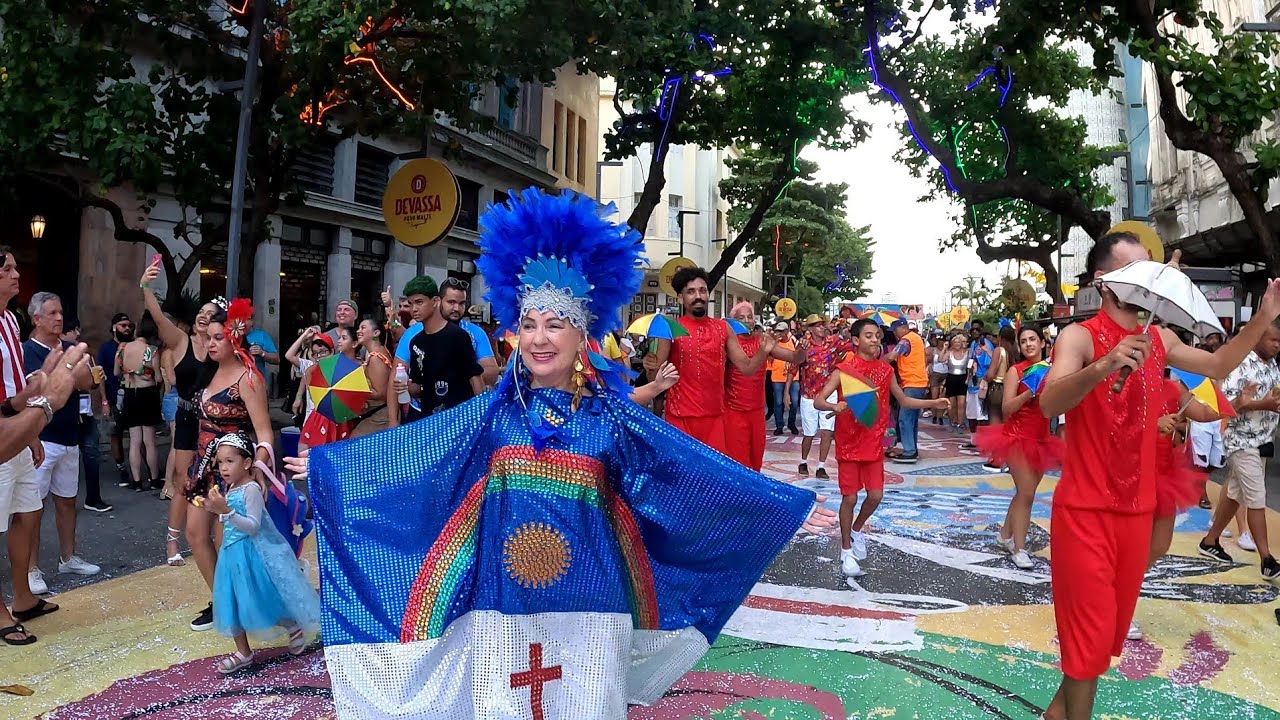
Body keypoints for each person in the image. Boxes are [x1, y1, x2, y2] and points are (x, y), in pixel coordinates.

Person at [288, 187, 834, 718]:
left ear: (582, 337)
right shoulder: (492, 415)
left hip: (593, 609)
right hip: (502, 609)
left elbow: (687, 475)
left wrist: (772, 506)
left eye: (555, 324)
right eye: (528, 324)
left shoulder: (613, 419)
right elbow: (417, 454)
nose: (539, 338)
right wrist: (332, 468)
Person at [1038, 232, 1280, 720]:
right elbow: (1050, 401)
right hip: (1084, 512)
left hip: (1137, 513)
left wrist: (1262, 318)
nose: (1148, 277)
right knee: (1085, 651)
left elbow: (1217, 364)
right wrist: (1104, 364)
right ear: (1104, 281)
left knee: (1101, 647)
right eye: (1135, 268)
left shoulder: (1159, 338)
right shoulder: (1078, 336)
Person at [0, 245, 93, 646]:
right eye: (7, 268)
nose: (17, 274)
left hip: (17, 429)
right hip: (5, 433)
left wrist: (30, 423)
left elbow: (12, 394)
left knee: (28, 512)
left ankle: (23, 597)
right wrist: (47, 402)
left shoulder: (8, 321)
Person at [815, 318, 950, 577]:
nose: (875, 340)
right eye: (869, 336)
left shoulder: (886, 371)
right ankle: (845, 551)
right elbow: (819, 401)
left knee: (875, 496)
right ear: (855, 341)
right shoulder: (844, 370)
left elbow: (904, 400)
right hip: (849, 443)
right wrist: (835, 406)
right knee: (850, 497)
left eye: (877, 335)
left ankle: (856, 530)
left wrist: (933, 403)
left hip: (873, 442)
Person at [183, 301, 277, 633]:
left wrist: (256, 472)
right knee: (195, 535)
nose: (210, 343)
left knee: (229, 544)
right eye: (207, 337)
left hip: (232, 471)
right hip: (202, 467)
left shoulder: (249, 378)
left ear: (234, 338)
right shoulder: (207, 372)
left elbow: (264, 432)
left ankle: (241, 605)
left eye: (218, 337)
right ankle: (222, 601)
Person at [201, 432, 319, 673]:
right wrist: (216, 508)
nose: (223, 468)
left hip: (251, 555)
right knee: (232, 601)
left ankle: (292, 625)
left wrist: (225, 511)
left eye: (229, 461)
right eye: (220, 462)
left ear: (246, 463)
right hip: (231, 555)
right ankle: (243, 652)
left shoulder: (251, 489)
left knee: (260, 599)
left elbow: (253, 526)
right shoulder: (230, 486)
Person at [21, 292, 99, 597]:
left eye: (60, 312)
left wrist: (86, 377)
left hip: (70, 434)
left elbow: (86, 382)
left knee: (67, 500)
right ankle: (30, 567)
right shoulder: (27, 351)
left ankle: (68, 558)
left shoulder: (68, 348)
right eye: (52, 313)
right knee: (32, 508)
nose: (59, 318)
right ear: (36, 318)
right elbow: (32, 390)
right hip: (43, 436)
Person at [644, 267, 772, 454]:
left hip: (716, 419)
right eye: (691, 291)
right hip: (681, 418)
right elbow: (655, 380)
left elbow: (747, 368)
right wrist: (650, 367)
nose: (698, 296)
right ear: (680, 298)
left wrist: (762, 352)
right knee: (685, 479)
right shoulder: (671, 330)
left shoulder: (723, 328)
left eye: (702, 290)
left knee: (714, 481)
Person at [141, 263, 217, 567]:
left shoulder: (219, 347)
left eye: (211, 315)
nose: (203, 316)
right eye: (202, 312)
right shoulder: (182, 340)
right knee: (183, 480)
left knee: (212, 479)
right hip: (187, 417)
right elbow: (158, 317)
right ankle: (172, 539)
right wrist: (146, 287)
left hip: (212, 420)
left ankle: (204, 533)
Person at [975, 326, 1063, 569]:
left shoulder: (1052, 371)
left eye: (1032, 339)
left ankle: (1005, 534)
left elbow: (1053, 407)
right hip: (1015, 438)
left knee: (1024, 493)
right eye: (1023, 341)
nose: (1028, 344)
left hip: (1042, 439)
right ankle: (1019, 548)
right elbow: (1007, 408)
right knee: (1027, 494)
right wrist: (1028, 394)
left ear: (1042, 342)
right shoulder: (1016, 371)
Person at [1197, 322, 1280, 578]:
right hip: (1241, 441)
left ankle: (1210, 541)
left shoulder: (1273, 366)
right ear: (1256, 339)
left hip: (1262, 441)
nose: (1276, 346)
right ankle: (1267, 559)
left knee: (1236, 495)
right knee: (1256, 497)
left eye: (1279, 342)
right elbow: (1229, 404)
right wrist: (1259, 403)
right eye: (1272, 340)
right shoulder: (1240, 364)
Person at [396, 276, 484, 421]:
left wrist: (481, 418)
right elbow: (419, 388)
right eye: (410, 304)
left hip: (459, 419)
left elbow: (475, 378)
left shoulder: (458, 336)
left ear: (435, 301)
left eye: (419, 302)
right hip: (429, 421)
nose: (414, 309)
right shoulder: (416, 342)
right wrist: (404, 386)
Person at [725, 302, 796, 470]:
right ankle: (741, 495)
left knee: (756, 456)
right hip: (733, 410)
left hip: (757, 409)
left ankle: (753, 494)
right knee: (738, 459)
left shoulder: (763, 341)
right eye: (741, 318)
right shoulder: (727, 343)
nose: (747, 321)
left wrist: (802, 351)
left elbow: (794, 357)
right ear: (733, 321)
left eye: (750, 317)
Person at [792, 314, 852, 479]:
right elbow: (793, 365)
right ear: (810, 329)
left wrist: (850, 333)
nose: (821, 327)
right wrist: (786, 392)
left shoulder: (832, 342)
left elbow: (851, 345)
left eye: (822, 324)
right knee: (809, 433)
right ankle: (803, 462)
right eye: (817, 325)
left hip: (828, 393)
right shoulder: (804, 344)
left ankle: (821, 466)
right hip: (809, 395)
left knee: (827, 432)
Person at [61, 320, 110, 514]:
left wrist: (97, 384)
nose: (77, 334)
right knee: (66, 459)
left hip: (86, 412)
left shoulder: (86, 356)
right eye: (72, 330)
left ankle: (93, 497)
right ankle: (63, 501)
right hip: (69, 414)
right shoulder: (59, 355)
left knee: (91, 455)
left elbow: (93, 385)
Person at [115, 313, 163, 492]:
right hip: (147, 393)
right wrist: (149, 371)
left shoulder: (123, 347)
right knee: (149, 440)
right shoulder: (152, 350)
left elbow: (115, 371)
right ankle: (154, 478)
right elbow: (158, 377)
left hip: (130, 393)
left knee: (134, 440)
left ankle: (136, 481)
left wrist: (129, 371)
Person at [439, 277, 502, 387]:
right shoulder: (418, 331)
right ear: (438, 301)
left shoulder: (475, 332)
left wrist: (460, 380)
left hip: (465, 400)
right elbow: (400, 372)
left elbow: (492, 372)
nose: (457, 308)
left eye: (461, 303)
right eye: (451, 302)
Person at [885, 318, 928, 463]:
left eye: (895, 330)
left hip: (912, 383)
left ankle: (909, 451)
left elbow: (891, 356)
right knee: (912, 419)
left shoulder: (906, 340)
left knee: (905, 418)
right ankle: (912, 449)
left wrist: (875, 364)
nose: (895, 334)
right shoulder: (916, 338)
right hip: (918, 383)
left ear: (902, 328)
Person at [97, 313, 133, 484]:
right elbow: (101, 376)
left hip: (134, 396)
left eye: (129, 326)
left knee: (137, 433)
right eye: (123, 325)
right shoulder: (106, 348)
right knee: (116, 434)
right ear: (114, 327)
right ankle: (121, 468)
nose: (127, 329)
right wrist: (104, 401)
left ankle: (142, 469)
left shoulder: (134, 346)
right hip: (113, 397)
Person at [351, 318, 396, 436]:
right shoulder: (375, 353)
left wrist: (351, 390)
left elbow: (381, 393)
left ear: (376, 333)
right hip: (378, 413)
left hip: (381, 416)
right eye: (358, 328)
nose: (358, 331)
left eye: (363, 328)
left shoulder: (376, 358)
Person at [769, 321, 800, 436]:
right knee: (778, 403)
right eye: (778, 331)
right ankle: (779, 425)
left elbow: (800, 356)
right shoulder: (773, 343)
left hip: (794, 377)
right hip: (777, 377)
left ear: (787, 331)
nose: (780, 334)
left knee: (794, 402)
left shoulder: (794, 342)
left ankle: (791, 423)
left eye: (782, 331)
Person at [243, 316, 279, 386]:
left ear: (251, 321)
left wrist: (262, 353)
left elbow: (277, 359)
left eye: (246, 319)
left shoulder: (261, 335)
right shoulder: (232, 337)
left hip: (258, 381)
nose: (243, 322)